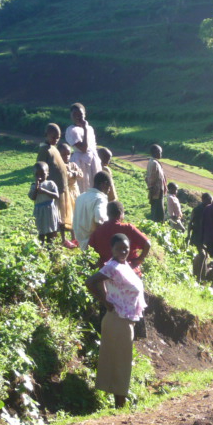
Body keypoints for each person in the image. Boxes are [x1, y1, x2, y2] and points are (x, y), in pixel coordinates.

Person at [85, 233, 147, 408]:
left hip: (124, 320)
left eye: (126, 248)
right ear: (111, 249)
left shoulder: (124, 265)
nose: (123, 251)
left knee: (121, 361)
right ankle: (120, 406)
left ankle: (119, 404)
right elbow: (90, 282)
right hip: (117, 319)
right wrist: (105, 302)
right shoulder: (112, 266)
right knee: (121, 363)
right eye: (119, 248)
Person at [37, 123, 74, 247]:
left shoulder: (54, 148)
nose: (56, 139)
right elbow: (40, 168)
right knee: (55, 217)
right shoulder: (44, 150)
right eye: (53, 137)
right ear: (46, 135)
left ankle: (63, 239)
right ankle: (55, 241)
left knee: (62, 216)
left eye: (58, 137)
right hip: (53, 190)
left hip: (62, 188)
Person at [89, 201, 150, 275]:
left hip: (107, 274)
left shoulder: (98, 231)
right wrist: (139, 260)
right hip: (129, 271)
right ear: (120, 214)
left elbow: (90, 252)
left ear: (107, 214)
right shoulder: (128, 228)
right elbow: (147, 244)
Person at [65, 102, 102, 193]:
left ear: (85, 114)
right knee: (83, 187)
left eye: (80, 114)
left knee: (95, 186)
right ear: (71, 116)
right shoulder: (71, 130)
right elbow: (83, 148)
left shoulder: (90, 128)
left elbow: (93, 145)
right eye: (75, 115)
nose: (78, 117)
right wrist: (85, 129)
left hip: (93, 160)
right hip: (80, 162)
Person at [73, 171, 111, 250]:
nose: (109, 190)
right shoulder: (100, 199)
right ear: (103, 184)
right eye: (109, 186)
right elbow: (100, 219)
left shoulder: (80, 197)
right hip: (92, 243)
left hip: (80, 242)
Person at [28, 162, 60, 244]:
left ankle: (51, 250)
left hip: (50, 211)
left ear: (47, 173)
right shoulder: (33, 186)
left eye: (42, 174)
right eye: (37, 175)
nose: (39, 177)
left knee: (51, 232)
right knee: (40, 232)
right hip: (39, 211)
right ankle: (40, 249)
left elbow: (56, 196)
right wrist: (36, 188)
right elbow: (32, 197)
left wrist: (45, 191)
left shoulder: (51, 184)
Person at [187, 193, 213, 281]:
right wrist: (188, 235)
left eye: (211, 200)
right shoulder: (197, 209)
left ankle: (202, 275)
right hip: (197, 236)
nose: (210, 201)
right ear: (203, 200)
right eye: (209, 200)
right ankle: (198, 278)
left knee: (205, 256)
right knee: (202, 255)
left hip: (206, 237)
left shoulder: (210, 210)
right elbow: (190, 223)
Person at [145, 144, 166, 222]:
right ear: (155, 152)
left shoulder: (154, 162)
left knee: (157, 210)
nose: (161, 154)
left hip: (158, 191)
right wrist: (152, 190)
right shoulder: (154, 163)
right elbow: (151, 178)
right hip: (156, 191)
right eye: (160, 152)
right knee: (158, 212)